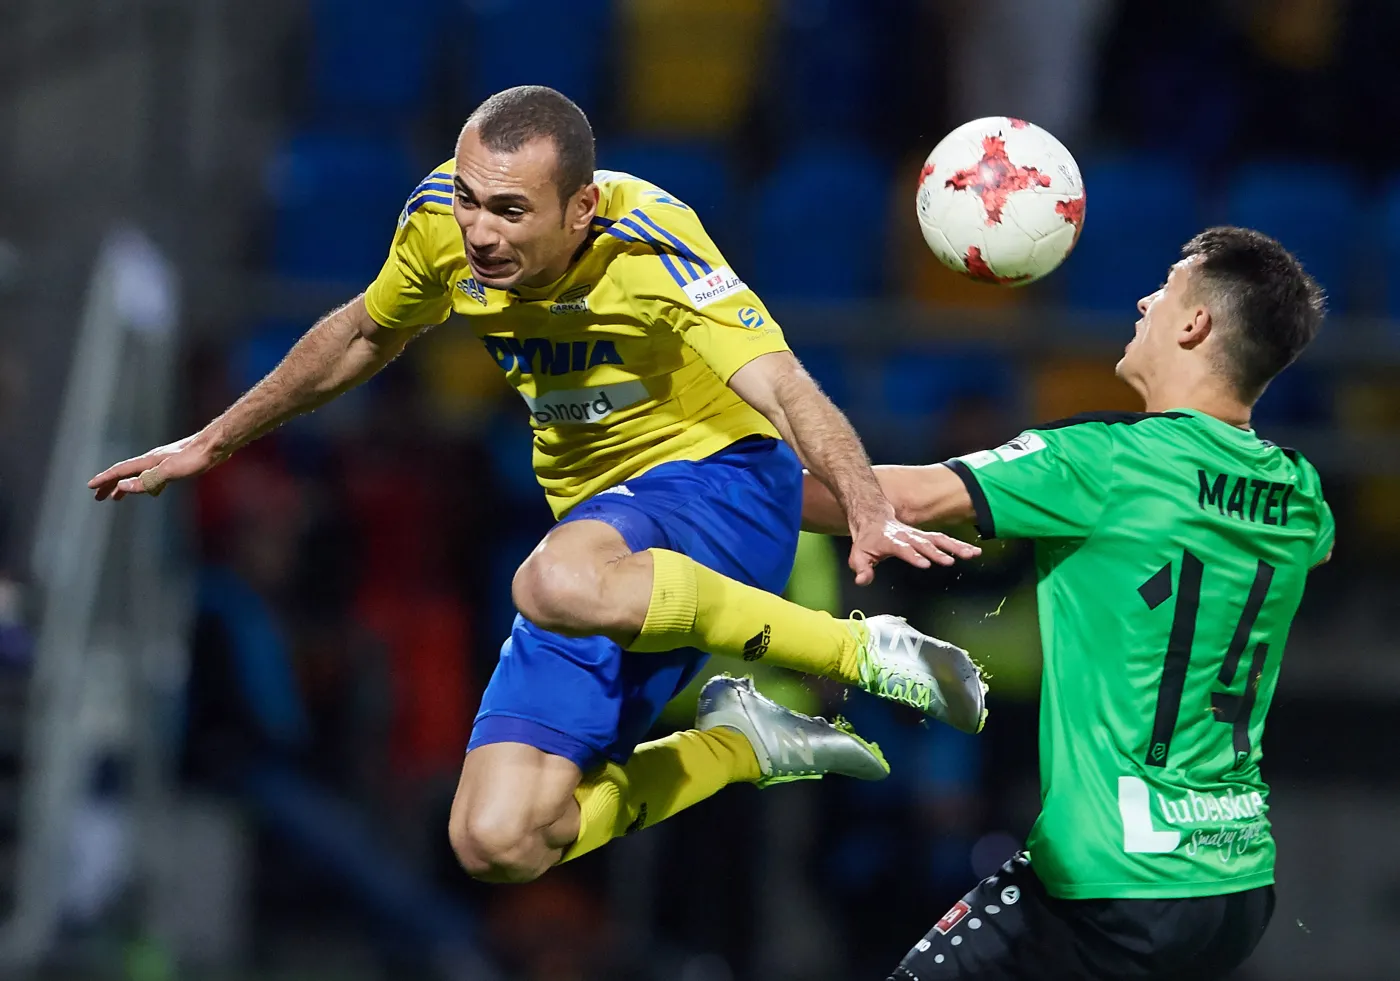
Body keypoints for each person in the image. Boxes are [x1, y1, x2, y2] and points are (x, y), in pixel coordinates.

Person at [89, 86, 987, 884]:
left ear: (581, 208)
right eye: (471, 199)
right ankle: (741, 742)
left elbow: (785, 387)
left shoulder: (651, 245)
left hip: (721, 487)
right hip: (605, 546)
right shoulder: (444, 222)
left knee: (549, 579)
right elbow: (365, 333)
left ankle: (862, 653)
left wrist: (864, 504)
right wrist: (215, 439)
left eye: (510, 211)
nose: (479, 230)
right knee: (499, 838)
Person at [804, 227, 1333, 980]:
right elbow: (1320, 544)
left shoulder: (1103, 462)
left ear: (1194, 324)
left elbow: (906, 497)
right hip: (1235, 883)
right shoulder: (1300, 490)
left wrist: (707, 492)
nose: (1146, 299)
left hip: (1114, 878)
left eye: (1170, 286)